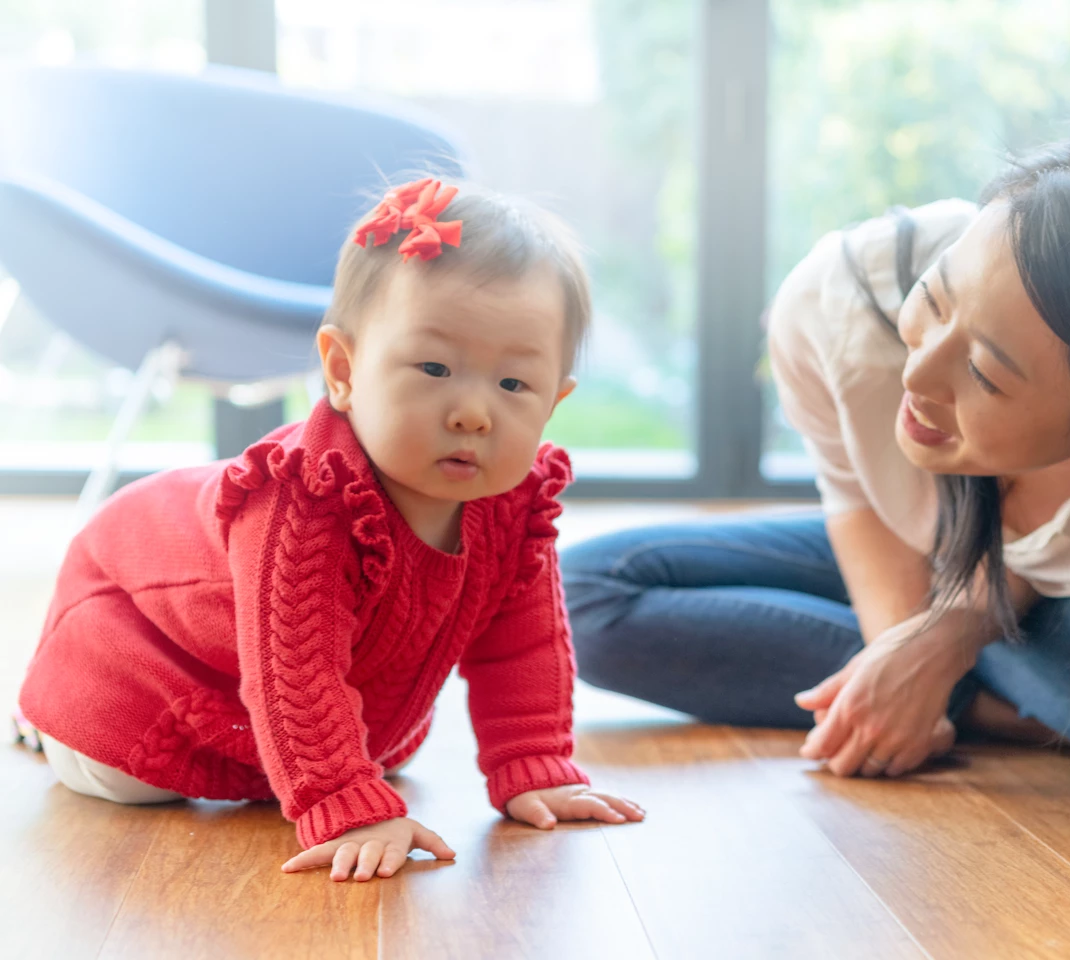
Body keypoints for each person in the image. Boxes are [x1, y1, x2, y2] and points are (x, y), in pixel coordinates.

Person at [562, 118, 1070, 845]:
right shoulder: (840, 304)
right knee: (582, 597)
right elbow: (856, 500)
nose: (918, 374)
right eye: (936, 300)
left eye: (982, 374)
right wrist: (908, 654)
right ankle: (1033, 714)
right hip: (946, 563)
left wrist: (953, 641)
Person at [18, 176, 644, 883]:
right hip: (141, 655)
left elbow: (522, 644)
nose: (473, 412)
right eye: (434, 368)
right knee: (125, 771)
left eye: (513, 385)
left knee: (386, 753)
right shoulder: (303, 503)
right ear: (343, 372)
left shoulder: (513, 503)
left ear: (554, 401)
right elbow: (295, 669)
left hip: (307, 700)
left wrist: (534, 763)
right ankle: (45, 724)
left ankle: (315, 763)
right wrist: (346, 803)